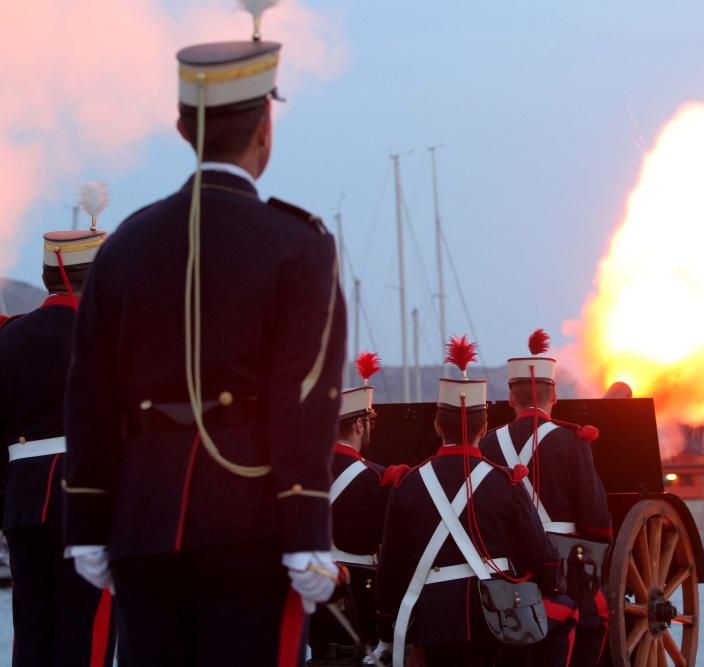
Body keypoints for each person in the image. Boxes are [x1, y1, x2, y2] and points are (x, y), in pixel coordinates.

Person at [61, 5, 346, 665]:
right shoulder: (298, 247)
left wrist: (88, 522)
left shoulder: (125, 244)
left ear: (183, 126)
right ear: (265, 130)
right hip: (251, 521)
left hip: (142, 519)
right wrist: (306, 524)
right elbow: (301, 395)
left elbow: (90, 393)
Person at [376, 336, 565, 667]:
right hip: (497, 618)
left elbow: (391, 563)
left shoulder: (409, 485)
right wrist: (554, 583)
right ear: (485, 426)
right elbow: (537, 548)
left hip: (433, 620)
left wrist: (388, 617)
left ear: (437, 426)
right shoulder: (506, 482)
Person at [0, 206, 116, 666]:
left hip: (23, 504)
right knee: (85, 639)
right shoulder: (113, 337)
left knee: (31, 637)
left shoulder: (8, 339)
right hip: (93, 501)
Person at [480, 329, 613, 667]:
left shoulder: (488, 445)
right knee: (595, 616)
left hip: (503, 566)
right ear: (553, 395)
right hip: (563, 562)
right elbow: (595, 518)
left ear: (511, 398)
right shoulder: (573, 441)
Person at [309, 352, 394, 665]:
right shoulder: (376, 478)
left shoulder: (304, 473)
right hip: (357, 594)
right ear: (359, 425)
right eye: (368, 422)